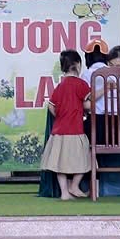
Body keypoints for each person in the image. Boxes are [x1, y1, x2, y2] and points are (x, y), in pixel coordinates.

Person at [42, 50, 92, 201]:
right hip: (75, 130)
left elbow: (51, 106)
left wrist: (60, 115)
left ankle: (64, 192)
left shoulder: (60, 86)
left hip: (58, 131)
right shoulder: (81, 84)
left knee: (60, 163)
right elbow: (88, 104)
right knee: (85, 159)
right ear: (77, 64)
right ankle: (74, 186)